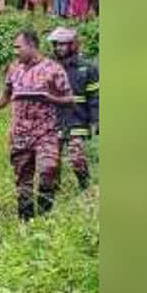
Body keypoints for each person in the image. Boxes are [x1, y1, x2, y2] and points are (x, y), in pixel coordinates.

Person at [0, 30, 73, 220]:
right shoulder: (13, 69)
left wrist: (49, 98)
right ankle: (26, 222)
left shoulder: (53, 69)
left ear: (32, 46)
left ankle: (44, 217)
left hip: (46, 132)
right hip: (20, 135)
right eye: (14, 47)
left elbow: (70, 99)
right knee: (23, 182)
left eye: (18, 47)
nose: (15, 51)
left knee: (48, 171)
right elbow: (7, 94)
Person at [49, 27, 99, 191]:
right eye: (56, 45)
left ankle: (85, 187)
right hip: (54, 119)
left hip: (77, 119)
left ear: (72, 45)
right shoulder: (49, 67)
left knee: (76, 157)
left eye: (63, 45)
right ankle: (53, 191)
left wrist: (96, 119)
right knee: (52, 159)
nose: (59, 48)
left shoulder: (87, 68)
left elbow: (94, 97)